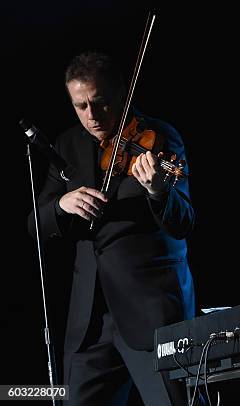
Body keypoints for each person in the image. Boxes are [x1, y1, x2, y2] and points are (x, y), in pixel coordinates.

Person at [28, 51, 195, 405]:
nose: (91, 116)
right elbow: (35, 223)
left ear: (122, 95)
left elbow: (183, 222)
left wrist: (157, 190)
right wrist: (61, 205)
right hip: (90, 321)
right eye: (81, 105)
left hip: (151, 310)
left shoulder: (160, 137)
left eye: (100, 104)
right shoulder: (67, 144)